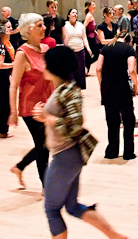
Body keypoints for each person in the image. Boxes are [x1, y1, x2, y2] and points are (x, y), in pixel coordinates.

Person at [32, 46, 127, 239]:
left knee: (51, 209)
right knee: (72, 206)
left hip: (65, 155)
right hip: (68, 155)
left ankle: (114, 235)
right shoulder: (64, 88)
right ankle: (115, 236)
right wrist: (46, 115)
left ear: (53, 67)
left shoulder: (68, 90)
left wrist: (46, 118)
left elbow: (75, 125)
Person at [9, 13, 54, 192]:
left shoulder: (45, 48)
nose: (44, 28)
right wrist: (13, 112)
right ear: (29, 30)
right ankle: (47, 186)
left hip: (47, 105)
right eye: (40, 25)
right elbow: (13, 86)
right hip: (31, 107)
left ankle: (19, 167)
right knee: (44, 145)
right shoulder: (22, 53)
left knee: (46, 143)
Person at [96, 30, 137, 159]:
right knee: (128, 120)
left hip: (107, 87)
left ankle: (112, 152)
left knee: (112, 120)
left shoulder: (105, 48)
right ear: (128, 40)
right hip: (122, 87)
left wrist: (101, 84)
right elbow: (131, 70)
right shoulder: (129, 50)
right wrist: (135, 85)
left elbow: (98, 68)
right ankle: (128, 153)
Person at [63, 8, 91, 89]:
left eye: (76, 13)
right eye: (73, 12)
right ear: (69, 15)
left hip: (80, 49)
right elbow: (65, 38)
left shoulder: (80, 25)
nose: (75, 14)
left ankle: (81, 86)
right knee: (71, 70)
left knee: (80, 69)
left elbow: (84, 37)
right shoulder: (65, 25)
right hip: (70, 50)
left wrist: (88, 48)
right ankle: (71, 87)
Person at [83, 0, 101, 75]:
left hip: (93, 37)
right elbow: (84, 26)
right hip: (89, 38)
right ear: (89, 7)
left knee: (93, 54)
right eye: (93, 4)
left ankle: (86, 68)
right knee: (95, 53)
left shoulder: (91, 15)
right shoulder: (89, 16)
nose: (94, 5)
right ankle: (86, 67)